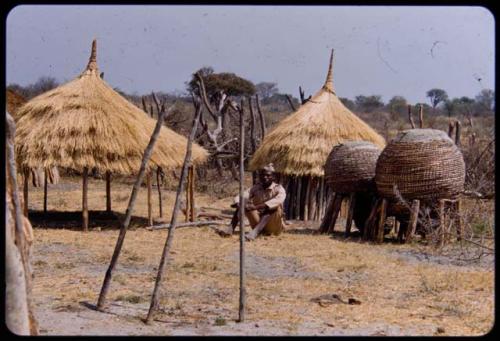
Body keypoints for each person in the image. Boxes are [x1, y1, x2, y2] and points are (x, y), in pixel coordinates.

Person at [220, 163, 286, 240]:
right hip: (258, 223)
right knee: (243, 204)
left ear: (273, 177)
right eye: (263, 175)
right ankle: (230, 229)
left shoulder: (278, 189)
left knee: (273, 207)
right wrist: (238, 203)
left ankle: (255, 233)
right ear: (260, 177)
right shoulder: (256, 187)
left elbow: (277, 201)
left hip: (274, 227)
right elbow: (243, 194)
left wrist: (255, 207)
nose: (265, 177)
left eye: (268, 175)